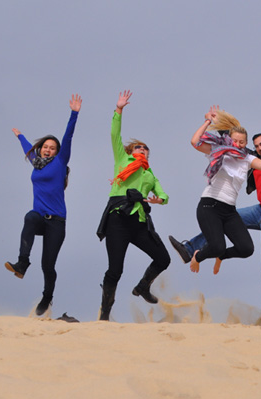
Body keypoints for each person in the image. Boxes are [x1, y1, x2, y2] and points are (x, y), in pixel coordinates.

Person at [169, 129, 261, 322]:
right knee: (225, 219)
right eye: (257, 145)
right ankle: (189, 248)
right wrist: (216, 122)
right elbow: (231, 141)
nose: (260, 147)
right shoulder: (247, 157)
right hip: (260, 211)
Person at [95, 90, 171, 321]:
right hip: (118, 219)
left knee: (163, 259)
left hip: (138, 221)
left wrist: (161, 200)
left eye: (145, 149)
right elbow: (114, 134)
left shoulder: (150, 174)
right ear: (130, 151)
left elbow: (163, 194)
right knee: (115, 270)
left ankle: (143, 287)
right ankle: (105, 312)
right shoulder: (122, 160)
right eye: (138, 147)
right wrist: (119, 110)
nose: (142, 150)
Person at [5, 94, 81, 316]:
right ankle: (21, 264)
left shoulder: (59, 163)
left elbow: (68, 137)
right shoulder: (36, 163)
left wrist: (74, 114)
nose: (48, 149)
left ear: (57, 152)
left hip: (56, 222)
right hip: (39, 218)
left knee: (47, 266)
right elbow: (28, 147)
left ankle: (47, 297)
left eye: (52, 148)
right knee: (30, 216)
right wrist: (20, 136)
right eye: (45, 147)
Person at [186, 106, 261, 279]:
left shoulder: (247, 158)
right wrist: (208, 121)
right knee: (217, 245)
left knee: (246, 248)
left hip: (229, 211)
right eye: (235, 141)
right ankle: (198, 256)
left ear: (246, 144)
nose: (238, 145)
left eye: (242, 142)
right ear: (229, 139)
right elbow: (194, 141)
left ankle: (221, 256)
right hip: (209, 206)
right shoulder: (218, 151)